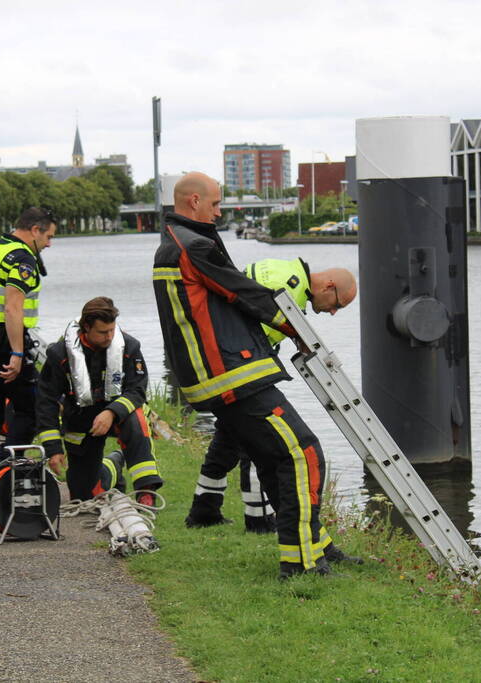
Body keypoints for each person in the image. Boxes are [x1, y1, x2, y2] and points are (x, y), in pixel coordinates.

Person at [153, 172, 349, 579]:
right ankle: (301, 563)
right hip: (230, 374)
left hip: (226, 373)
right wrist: (296, 328)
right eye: (216, 204)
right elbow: (241, 291)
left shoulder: (182, 242)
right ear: (193, 202)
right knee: (302, 451)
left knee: (273, 457)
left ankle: (316, 547)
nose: (220, 211)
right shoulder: (192, 246)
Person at [185, 258, 357, 532]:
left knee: (228, 438)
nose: (334, 312)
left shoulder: (282, 268)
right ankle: (259, 521)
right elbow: (255, 335)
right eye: (338, 304)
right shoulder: (287, 289)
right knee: (259, 442)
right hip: (240, 369)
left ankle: (204, 510)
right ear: (329, 286)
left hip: (220, 363)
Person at [37, 297, 163, 503]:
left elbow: (137, 390)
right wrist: (53, 449)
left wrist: (111, 412)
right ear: (86, 327)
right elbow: (45, 403)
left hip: (119, 415)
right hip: (81, 421)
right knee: (84, 497)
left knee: (136, 418)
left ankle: (146, 492)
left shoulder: (129, 347)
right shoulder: (59, 354)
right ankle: (114, 464)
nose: (110, 336)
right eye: (103, 332)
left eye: (112, 330)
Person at [0, 206, 55, 477]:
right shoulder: (22, 259)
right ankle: (7, 466)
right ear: (35, 229)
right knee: (30, 408)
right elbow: (12, 308)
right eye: (48, 236)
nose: (49, 244)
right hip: (5, 343)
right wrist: (17, 353)